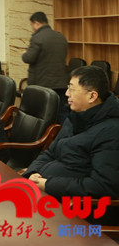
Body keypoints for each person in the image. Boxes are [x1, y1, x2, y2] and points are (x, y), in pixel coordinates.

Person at [23, 66, 119, 199]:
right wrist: (32, 172)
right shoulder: (76, 116)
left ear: (92, 96)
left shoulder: (111, 131)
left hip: (73, 204)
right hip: (45, 191)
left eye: (72, 89)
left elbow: (102, 186)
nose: (67, 93)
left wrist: (47, 184)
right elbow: (50, 152)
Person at [22, 11, 70, 123]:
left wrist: (24, 54)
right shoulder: (60, 36)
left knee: (43, 113)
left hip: (42, 83)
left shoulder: (37, 38)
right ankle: (66, 131)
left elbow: (29, 58)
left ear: (37, 23)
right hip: (61, 82)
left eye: (32, 25)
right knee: (61, 112)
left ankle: (47, 133)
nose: (32, 28)